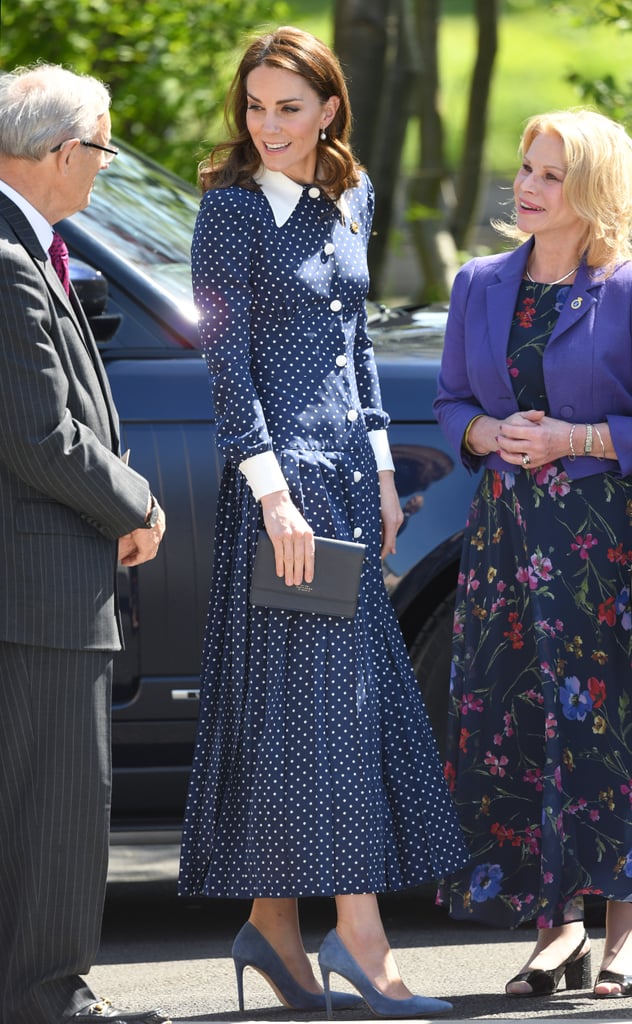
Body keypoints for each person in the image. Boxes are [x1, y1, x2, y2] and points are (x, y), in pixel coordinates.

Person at [178, 25, 468, 1019]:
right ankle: (360, 941)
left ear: (329, 110)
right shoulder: (228, 216)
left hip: (345, 486)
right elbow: (228, 372)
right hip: (280, 501)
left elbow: (356, 349)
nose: (268, 126)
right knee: (330, 721)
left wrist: (384, 473)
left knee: (311, 718)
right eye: (254, 108)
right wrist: (273, 499)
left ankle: (273, 925)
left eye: (288, 108)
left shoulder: (350, 195)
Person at [434, 108, 632, 1000]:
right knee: (523, 727)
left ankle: (625, 930)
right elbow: (447, 404)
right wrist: (485, 428)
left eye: (552, 173)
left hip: (604, 549)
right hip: (507, 544)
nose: (528, 186)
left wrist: (579, 437)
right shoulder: (480, 282)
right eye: (526, 167)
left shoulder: (626, 287)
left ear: (592, 186)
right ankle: (559, 931)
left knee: (608, 728)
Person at [0, 65, 170, 1024]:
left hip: (40, 579)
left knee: (34, 804)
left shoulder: (29, 246)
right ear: (65, 152)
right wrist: (138, 504)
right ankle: (47, 1000)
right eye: (102, 150)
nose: (102, 168)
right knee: (57, 806)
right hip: (39, 583)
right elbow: (37, 434)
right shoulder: (7, 256)